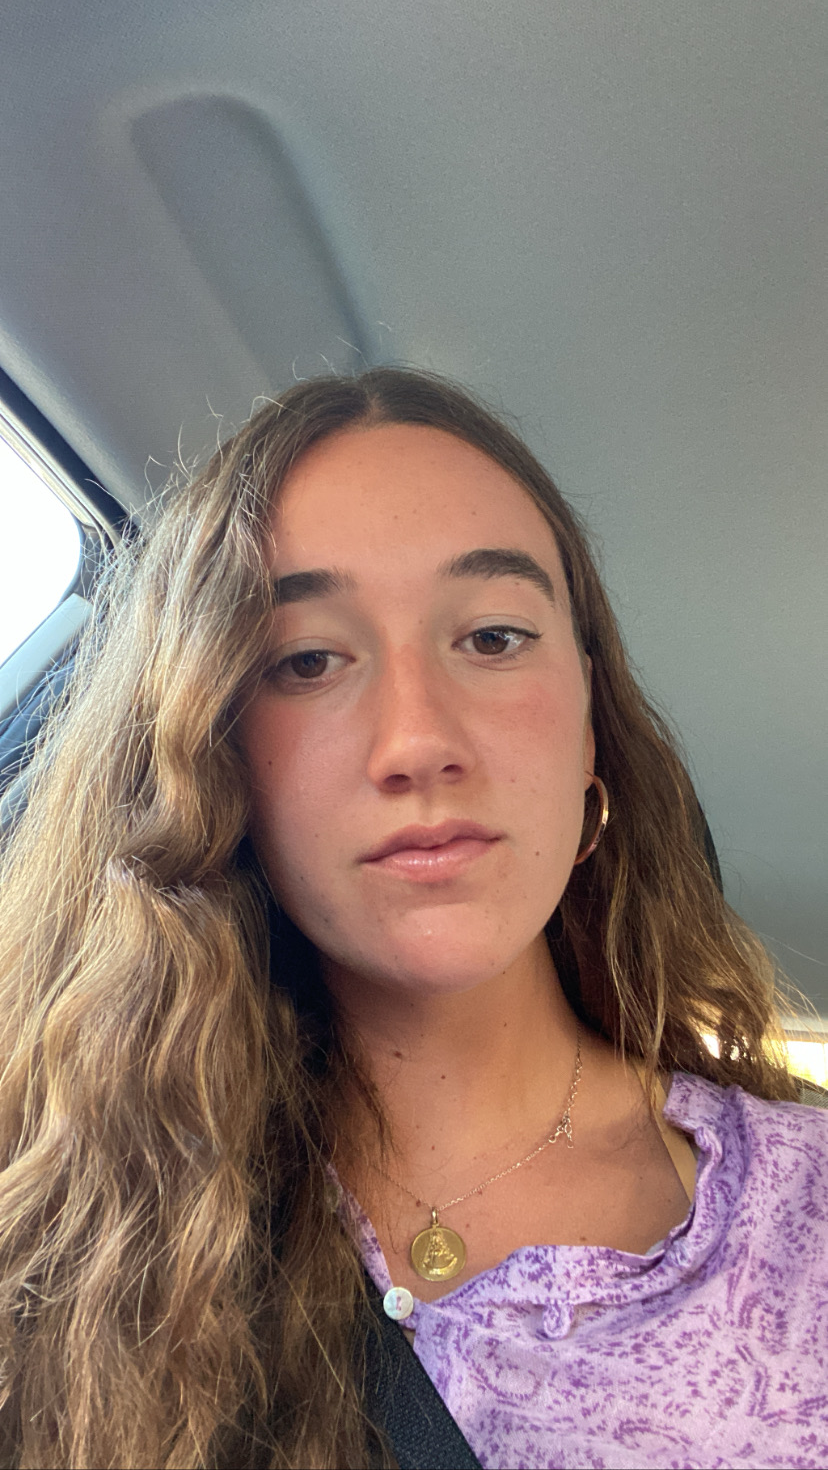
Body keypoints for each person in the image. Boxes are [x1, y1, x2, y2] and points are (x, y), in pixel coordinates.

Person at [0, 366, 825, 1470]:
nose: (417, 741)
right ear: (211, 756)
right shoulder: (64, 1229)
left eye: (493, 637)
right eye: (307, 659)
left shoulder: (806, 1204)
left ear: (589, 728)